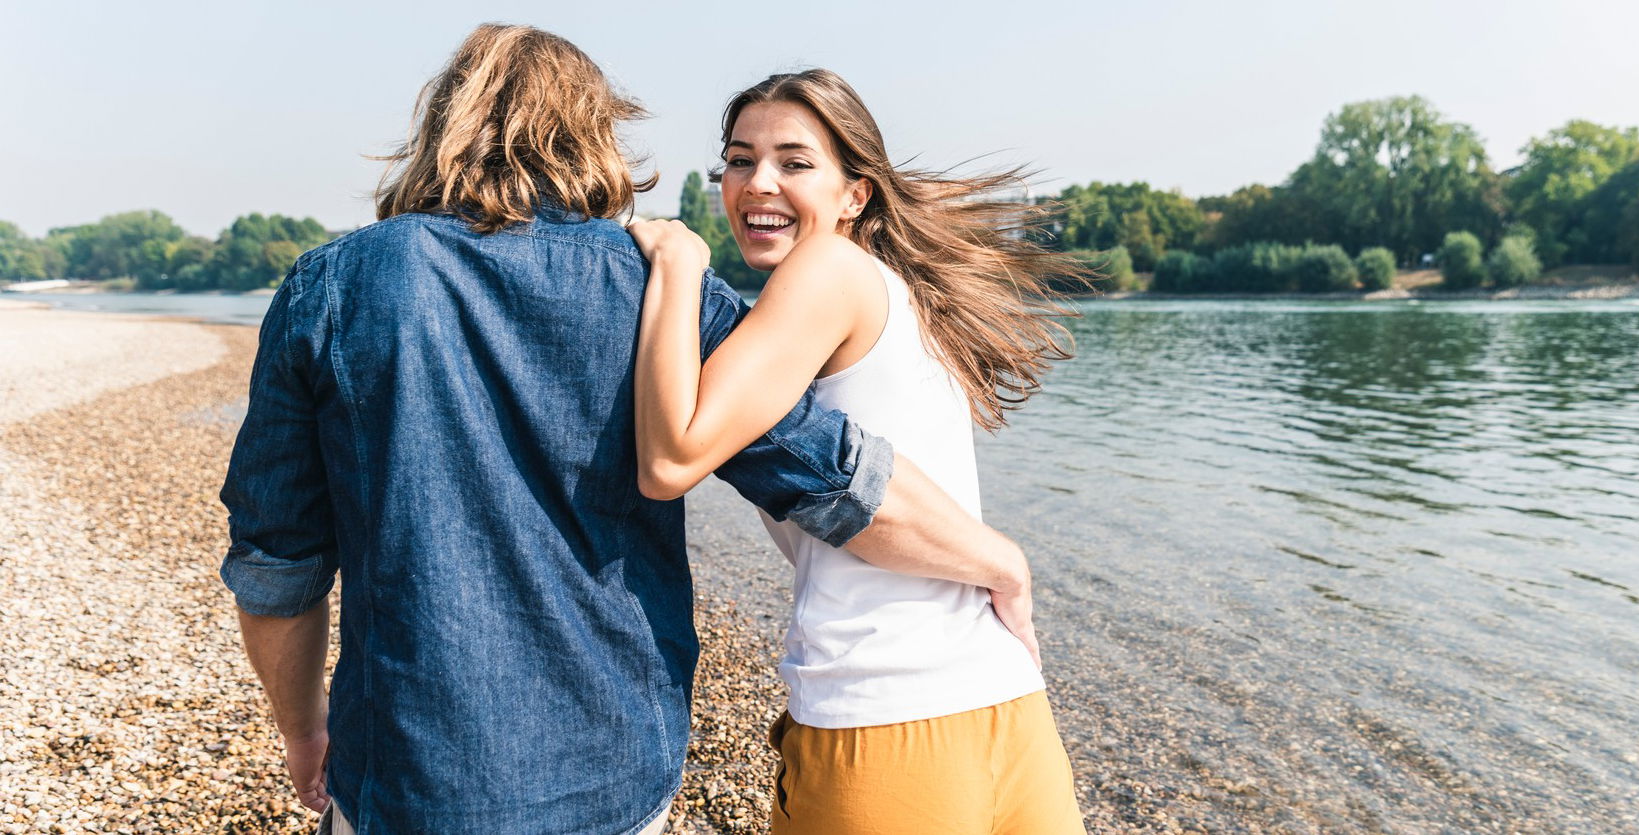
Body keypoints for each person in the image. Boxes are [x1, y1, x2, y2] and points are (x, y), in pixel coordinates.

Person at [219, 26, 1037, 835]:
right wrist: (995, 560)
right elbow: (825, 473)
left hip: (408, 771)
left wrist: (304, 727)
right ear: (591, 132)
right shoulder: (651, 284)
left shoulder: (332, 287)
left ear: (443, 125)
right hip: (612, 769)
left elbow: (277, 561)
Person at [627, 68, 1086, 834]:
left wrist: (677, 265)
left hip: (884, 718)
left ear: (854, 195)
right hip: (1005, 703)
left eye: (793, 162)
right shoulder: (894, 290)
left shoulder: (828, 268)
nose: (756, 183)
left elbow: (670, 460)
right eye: (739, 160)